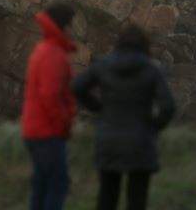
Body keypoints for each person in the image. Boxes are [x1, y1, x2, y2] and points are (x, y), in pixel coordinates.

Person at [72, 24, 176, 210]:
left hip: (109, 138)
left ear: (119, 43)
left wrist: (98, 107)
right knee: (137, 198)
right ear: (145, 45)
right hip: (140, 139)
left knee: (107, 196)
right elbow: (168, 106)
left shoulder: (103, 65)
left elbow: (77, 87)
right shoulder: (151, 69)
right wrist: (154, 126)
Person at [21, 1, 78, 210]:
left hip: (35, 129)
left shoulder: (43, 48)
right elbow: (50, 96)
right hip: (48, 132)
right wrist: (64, 123)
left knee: (42, 185)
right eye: (72, 24)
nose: (74, 29)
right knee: (57, 185)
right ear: (64, 25)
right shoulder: (53, 53)